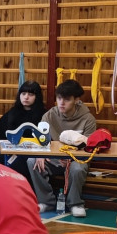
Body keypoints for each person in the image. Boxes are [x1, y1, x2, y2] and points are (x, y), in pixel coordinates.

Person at [26, 79, 97, 218]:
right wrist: (40, 154)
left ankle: (75, 203)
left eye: (67, 99)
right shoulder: (49, 115)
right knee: (32, 161)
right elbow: (40, 140)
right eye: (59, 98)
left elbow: (89, 148)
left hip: (77, 159)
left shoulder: (88, 119)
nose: (61, 103)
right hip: (55, 159)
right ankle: (46, 201)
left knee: (78, 168)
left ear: (76, 100)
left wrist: (70, 158)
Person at [0, 80, 46, 184]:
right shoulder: (11, 113)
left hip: (31, 153)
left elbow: (45, 139)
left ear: (37, 97)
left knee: (23, 162)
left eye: (30, 94)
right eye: (23, 93)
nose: (26, 97)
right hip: (10, 151)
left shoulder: (43, 115)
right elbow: (0, 137)